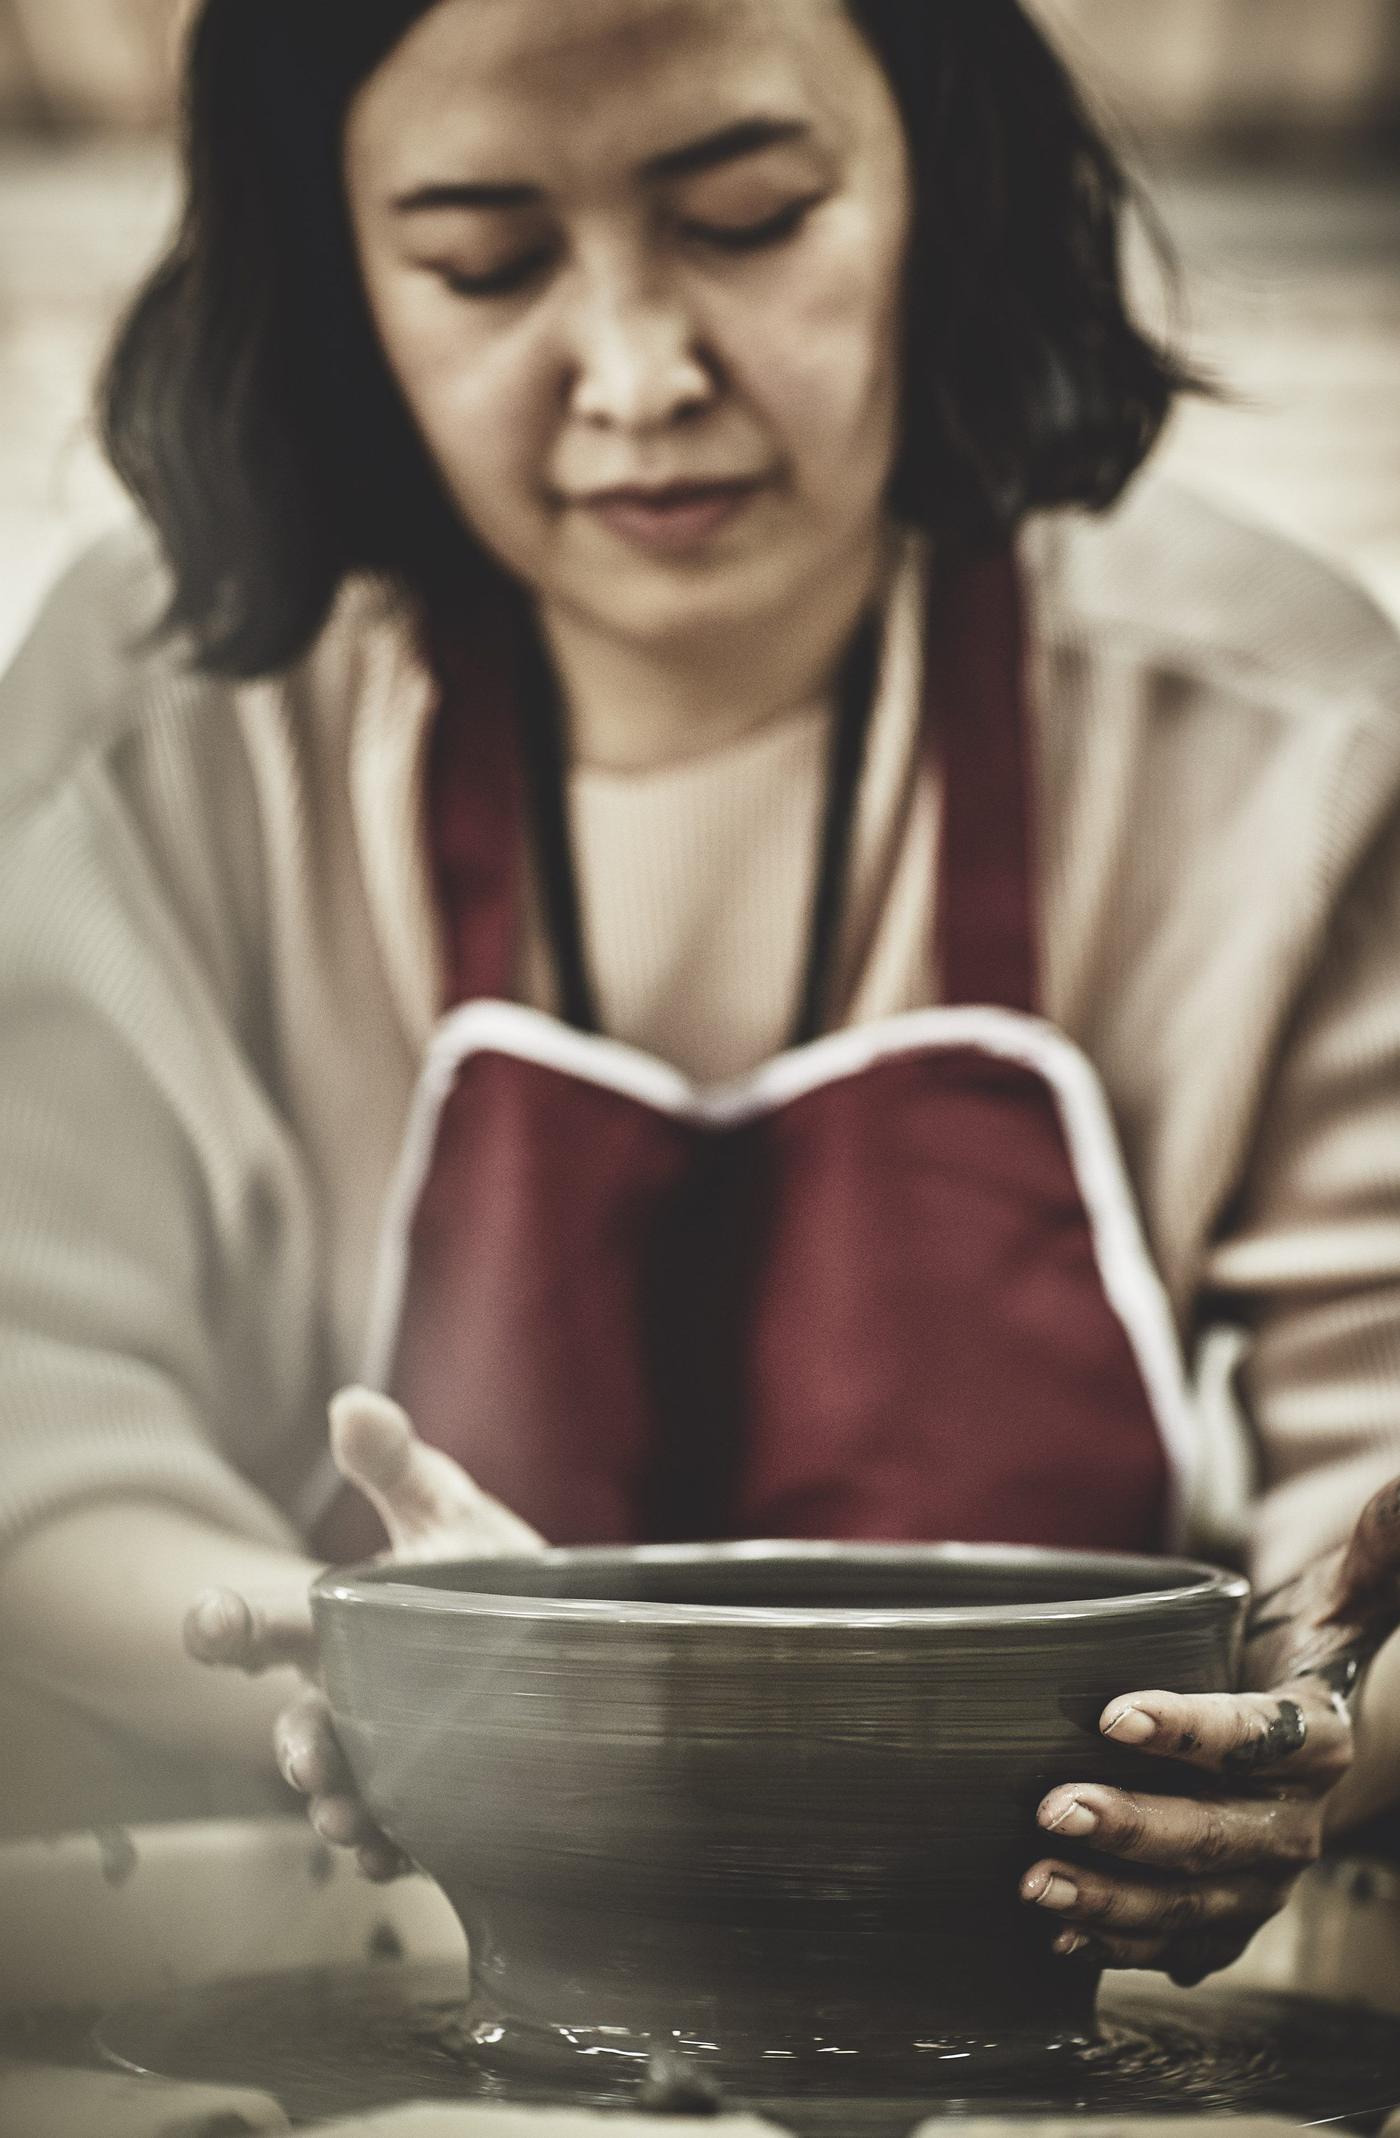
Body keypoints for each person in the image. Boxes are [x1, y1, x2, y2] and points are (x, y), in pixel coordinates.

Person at [1, 0, 1399, 1990]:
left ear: (944, 190)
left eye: (748, 219)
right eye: (483, 262)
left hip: (1043, 1977)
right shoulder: (165, 725)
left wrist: (1293, 1755)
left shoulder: (1277, 731)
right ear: (334, 273)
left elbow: (1379, 1483)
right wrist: (380, 1675)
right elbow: (34, 1401)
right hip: (358, 1958)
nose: (640, 377)